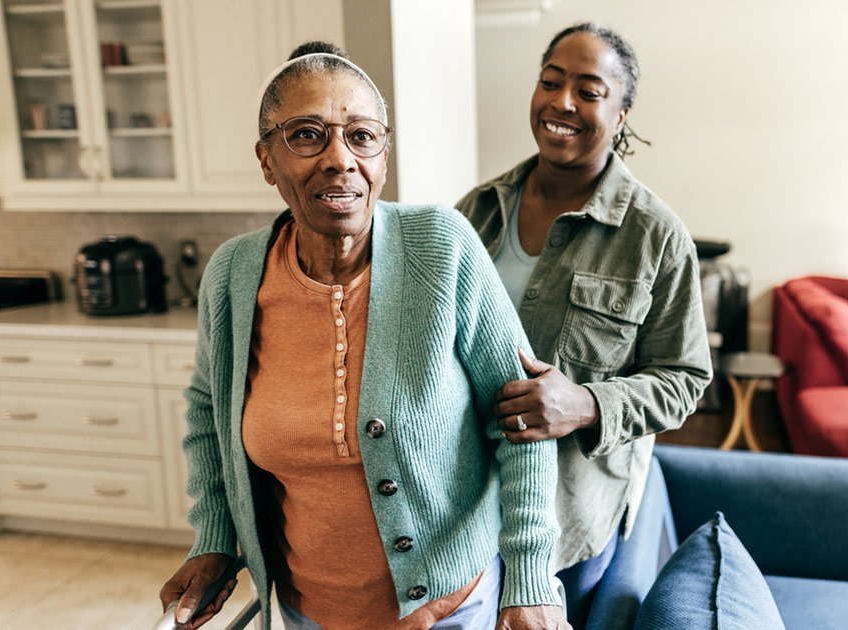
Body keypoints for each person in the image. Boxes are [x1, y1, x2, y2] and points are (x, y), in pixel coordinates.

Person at [158, 42, 567, 630]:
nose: (338, 159)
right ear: (267, 160)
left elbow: (521, 418)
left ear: (383, 154)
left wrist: (530, 579)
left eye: (361, 135)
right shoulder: (232, 274)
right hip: (307, 611)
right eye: (305, 135)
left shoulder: (442, 246)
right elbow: (208, 413)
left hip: (450, 609)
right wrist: (216, 535)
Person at [455, 22, 712, 626]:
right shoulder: (475, 211)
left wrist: (587, 403)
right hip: (458, 509)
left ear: (621, 115)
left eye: (590, 91)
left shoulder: (656, 236)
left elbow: (685, 378)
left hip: (567, 517)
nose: (562, 102)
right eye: (551, 81)